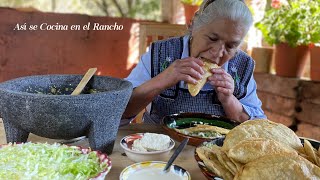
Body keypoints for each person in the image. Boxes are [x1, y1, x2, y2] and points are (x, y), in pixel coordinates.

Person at [122, 0, 266, 124]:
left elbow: (259, 127)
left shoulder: (242, 65)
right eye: (212, 38)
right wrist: (163, 79)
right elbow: (121, 110)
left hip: (216, 152)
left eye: (230, 46)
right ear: (193, 26)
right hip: (159, 148)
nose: (217, 52)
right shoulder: (160, 53)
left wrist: (229, 100)